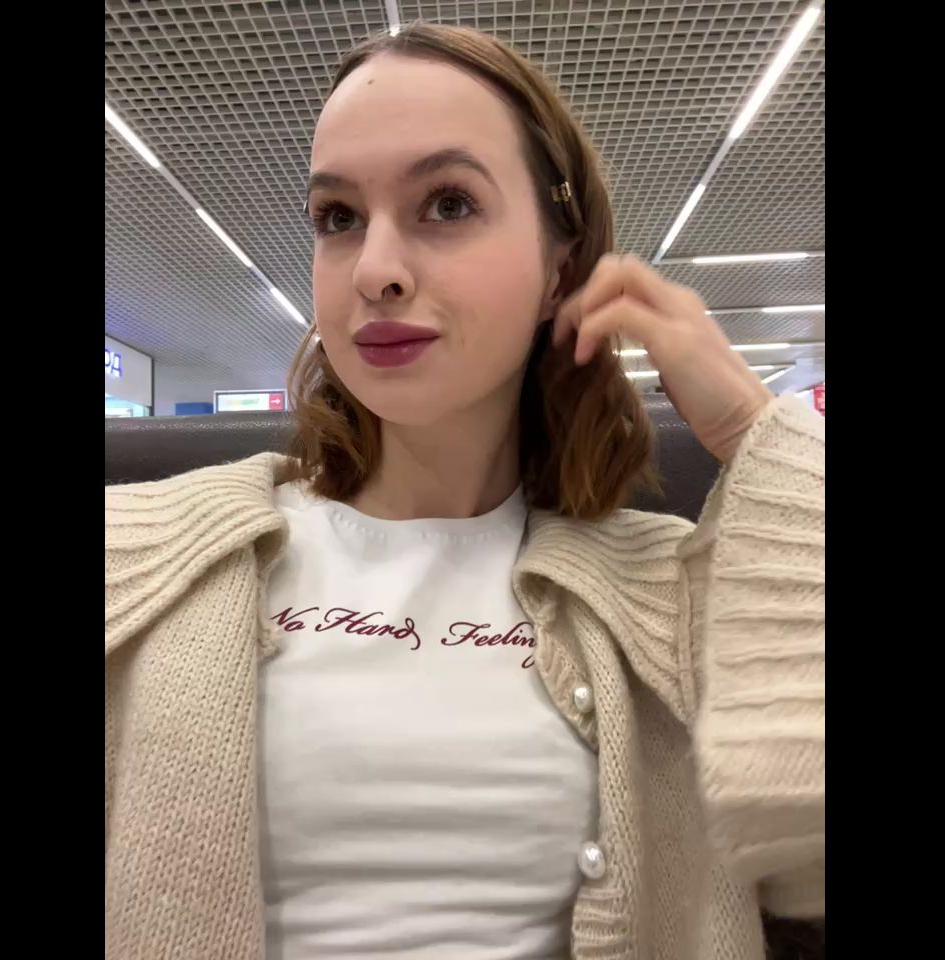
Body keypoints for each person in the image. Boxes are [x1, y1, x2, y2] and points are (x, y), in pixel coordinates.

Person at [104, 22, 824, 960]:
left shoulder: (671, 594)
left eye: (447, 204)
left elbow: (810, 856)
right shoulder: (141, 554)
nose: (375, 269)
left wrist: (753, 430)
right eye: (338, 216)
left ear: (559, 268)